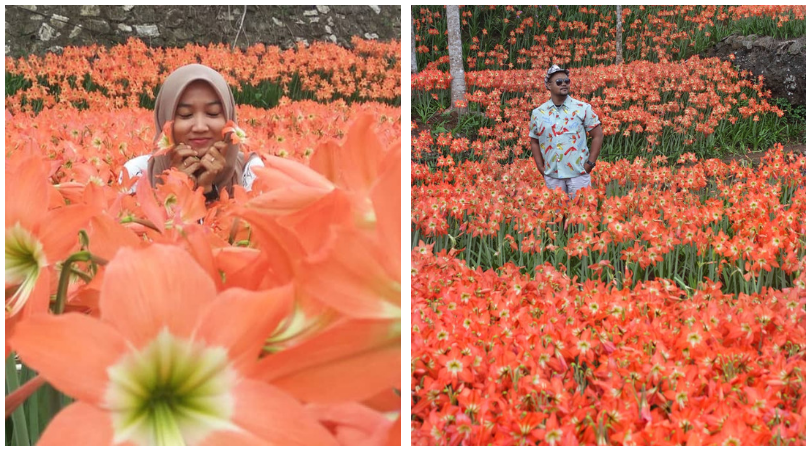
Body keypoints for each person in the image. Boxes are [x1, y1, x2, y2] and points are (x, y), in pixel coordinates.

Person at [122, 64, 263, 200]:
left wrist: (207, 191)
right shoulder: (136, 173)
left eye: (213, 113)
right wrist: (177, 187)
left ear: (229, 117)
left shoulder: (251, 172)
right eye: (185, 114)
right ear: (165, 118)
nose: (200, 127)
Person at [529, 65, 603, 201]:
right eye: (558, 82)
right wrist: (540, 167)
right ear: (548, 85)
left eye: (566, 81)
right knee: (556, 216)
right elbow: (534, 140)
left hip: (578, 175)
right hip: (553, 176)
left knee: (579, 217)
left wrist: (590, 164)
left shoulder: (582, 108)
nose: (564, 84)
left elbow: (597, 135)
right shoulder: (538, 113)